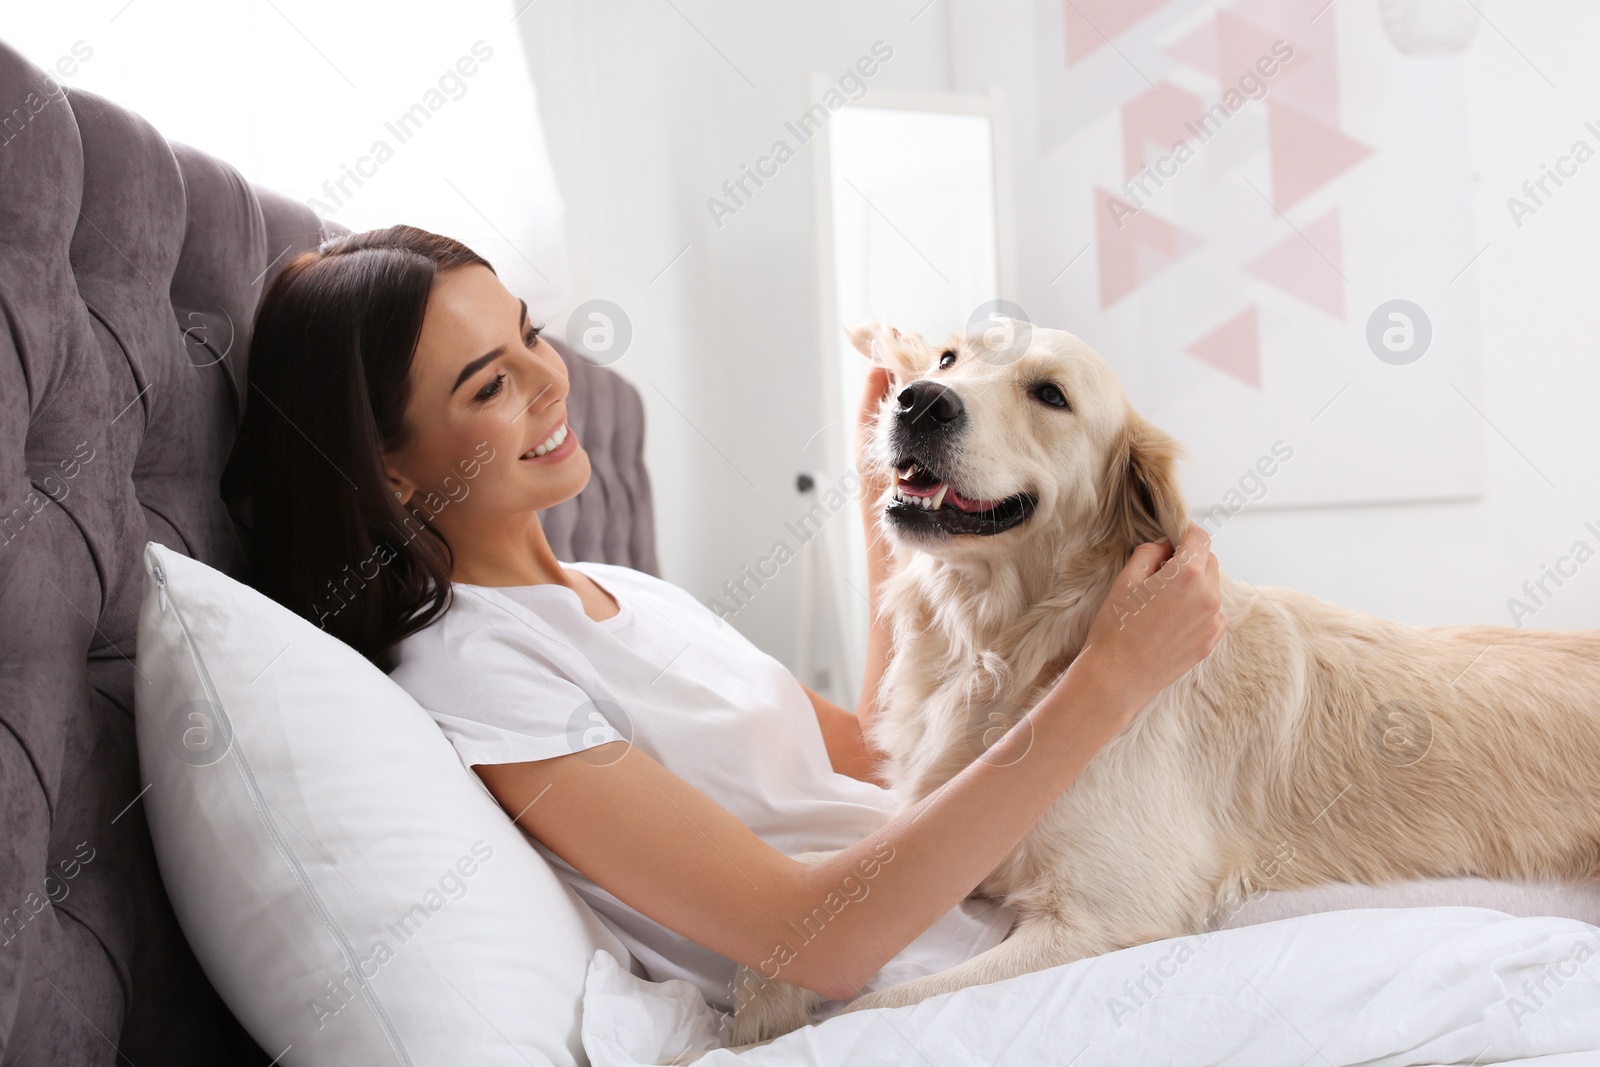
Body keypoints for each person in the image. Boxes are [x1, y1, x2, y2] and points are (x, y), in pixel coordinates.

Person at [237, 225, 1227, 1019]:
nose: (551, 379)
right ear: (391, 466)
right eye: (490, 383)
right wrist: (1107, 684)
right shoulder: (475, 667)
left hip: (1003, 928)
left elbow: (870, 751)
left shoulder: (620, 588)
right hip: (925, 991)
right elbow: (815, 938)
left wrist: (885, 499)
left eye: (531, 333)